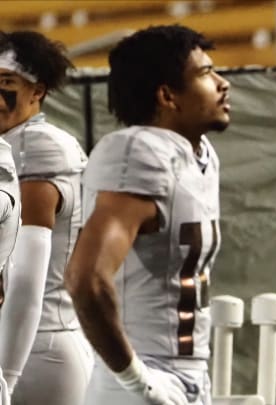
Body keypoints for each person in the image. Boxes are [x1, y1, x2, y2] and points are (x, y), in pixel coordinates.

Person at [64, 25, 230, 405]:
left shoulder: (199, 155)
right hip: (143, 378)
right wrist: (138, 381)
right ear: (167, 95)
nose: (222, 83)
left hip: (188, 374)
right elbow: (85, 279)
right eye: (205, 73)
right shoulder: (139, 150)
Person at [0, 30, 93, 405]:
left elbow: (26, 276)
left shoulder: (36, 147)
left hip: (35, 344)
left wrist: (5, 374)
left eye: (6, 82)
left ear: (37, 90)